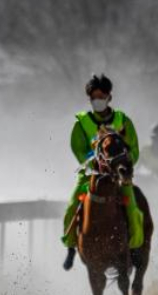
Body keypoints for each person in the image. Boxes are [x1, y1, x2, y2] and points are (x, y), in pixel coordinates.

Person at [61, 74, 144, 271]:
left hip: (118, 176)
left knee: (132, 207)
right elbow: (78, 149)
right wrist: (88, 161)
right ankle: (71, 246)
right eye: (94, 97)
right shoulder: (81, 123)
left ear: (109, 97)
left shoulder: (123, 121)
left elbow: (133, 149)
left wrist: (124, 165)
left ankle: (134, 248)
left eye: (101, 96)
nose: (97, 100)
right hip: (90, 175)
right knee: (72, 204)